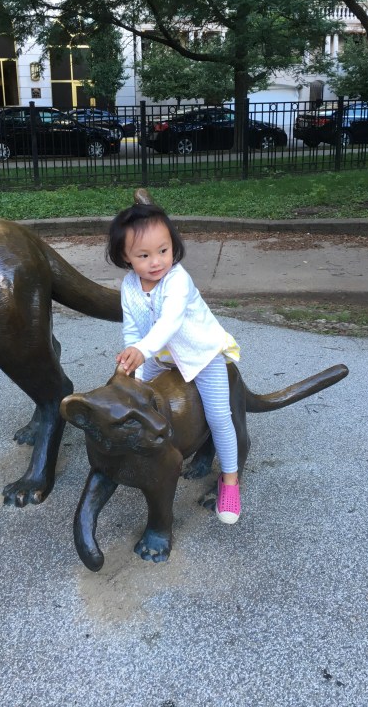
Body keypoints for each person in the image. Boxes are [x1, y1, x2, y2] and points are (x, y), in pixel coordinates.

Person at [106, 201, 242, 524]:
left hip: (200, 354)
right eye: (143, 255)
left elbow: (169, 322)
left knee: (219, 416)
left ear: (173, 246)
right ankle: (151, 456)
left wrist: (142, 349)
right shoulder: (129, 286)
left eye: (163, 251)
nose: (156, 262)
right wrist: (133, 358)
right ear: (125, 256)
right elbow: (132, 328)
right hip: (160, 357)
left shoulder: (177, 280)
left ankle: (230, 479)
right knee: (141, 401)